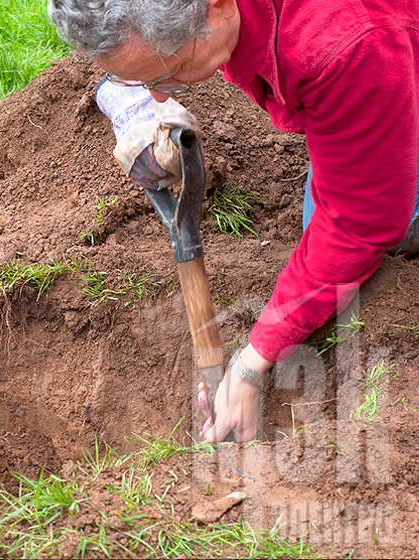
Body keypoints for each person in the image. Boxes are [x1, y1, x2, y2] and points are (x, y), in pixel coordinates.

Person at [48, 0, 419, 443]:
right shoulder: (214, 20)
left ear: (218, 7)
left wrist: (252, 361)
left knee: (382, 231)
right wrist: (134, 108)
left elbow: (359, 223)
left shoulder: (342, 44)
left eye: (169, 75)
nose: (162, 95)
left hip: (377, 46)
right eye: (148, 81)